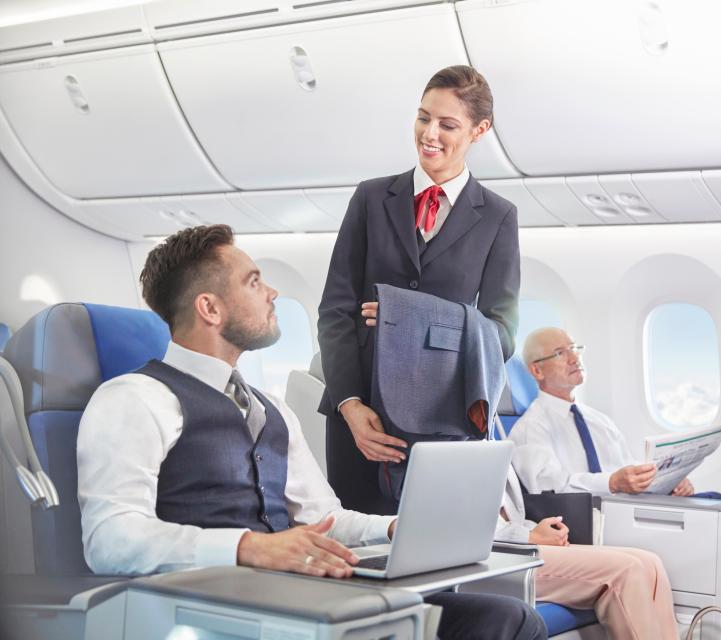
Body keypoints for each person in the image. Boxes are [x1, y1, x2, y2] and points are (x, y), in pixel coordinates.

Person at [77, 225, 545, 640]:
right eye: (254, 281)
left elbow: (326, 517)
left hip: (307, 595)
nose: (272, 292)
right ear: (210, 308)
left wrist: (397, 529)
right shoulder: (135, 397)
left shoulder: (272, 408)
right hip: (219, 609)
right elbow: (111, 538)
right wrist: (250, 547)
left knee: (508, 620)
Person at [508, 327, 721, 640]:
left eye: (574, 349)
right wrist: (613, 481)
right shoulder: (530, 428)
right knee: (715, 518)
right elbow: (549, 489)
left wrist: (667, 481)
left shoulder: (598, 421)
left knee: (716, 504)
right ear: (537, 371)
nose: (574, 358)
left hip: (622, 505)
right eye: (561, 352)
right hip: (591, 520)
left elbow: (628, 473)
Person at [317, 65, 520, 515]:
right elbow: (335, 310)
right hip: (360, 415)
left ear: (479, 130)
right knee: (361, 555)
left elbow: (503, 335)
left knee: (434, 558)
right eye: (423, 117)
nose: (429, 134)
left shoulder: (498, 218)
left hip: (442, 418)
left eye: (448, 125)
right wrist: (349, 405)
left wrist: (412, 314)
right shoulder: (371, 198)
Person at [498, 458, 678, 640]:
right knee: (626, 570)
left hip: (518, 536)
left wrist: (534, 531)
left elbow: (511, 515)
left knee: (650, 563)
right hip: (496, 554)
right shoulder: (472, 442)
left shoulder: (487, 437)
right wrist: (527, 537)